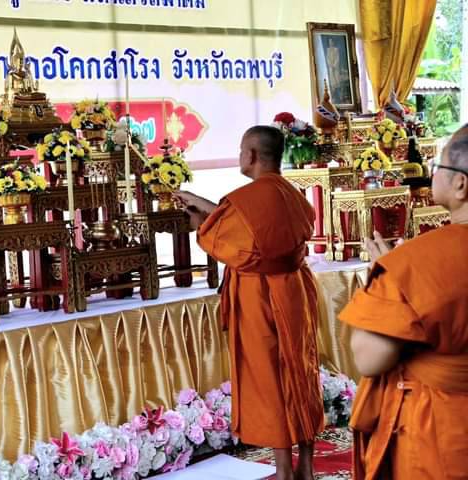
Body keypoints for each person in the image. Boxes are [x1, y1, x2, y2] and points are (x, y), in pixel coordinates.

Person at [174, 126, 324, 480]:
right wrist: (205, 207)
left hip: (261, 295)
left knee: (270, 378)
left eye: (242, 150)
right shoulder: (292, 194)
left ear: (252, 155)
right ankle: (306, 464)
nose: (241, 156)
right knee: (301, 370)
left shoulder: (246, 199)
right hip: (295, 290)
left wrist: (201, 225)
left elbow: (234, 244)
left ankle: (284, 469)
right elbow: (255, 226)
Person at [339, 126, 468, 479]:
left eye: (438, 166)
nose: (432, 172)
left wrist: (389, 275)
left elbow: (370, 358)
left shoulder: (416, 262)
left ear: (461, 185)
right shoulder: (414, 262)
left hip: (444, 435)